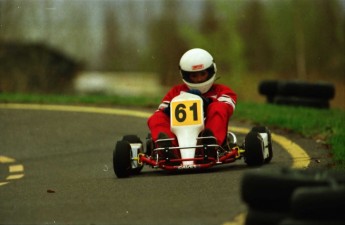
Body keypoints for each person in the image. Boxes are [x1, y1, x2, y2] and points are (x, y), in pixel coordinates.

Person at [147, 48, 237, 157]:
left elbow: (227, 107)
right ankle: (168, 149)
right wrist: (170, 108)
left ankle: (210, 145)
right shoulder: (176, 92)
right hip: (178, 141)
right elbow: (160, 111)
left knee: (218, 107)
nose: (199, 79)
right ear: (185, 75)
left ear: (211, 71)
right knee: (156, 118)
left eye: (202, 74)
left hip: (207, 137)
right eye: (194, 76)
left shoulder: (222, 91)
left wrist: (206, 102)